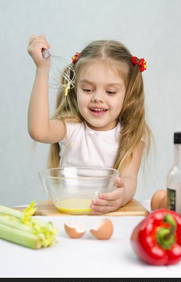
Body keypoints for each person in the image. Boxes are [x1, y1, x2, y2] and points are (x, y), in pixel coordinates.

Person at [27, 35, 152, 214]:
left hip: (108, 217)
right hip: (69, 214)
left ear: (129, 94)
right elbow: (38, 131)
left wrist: (122, 195)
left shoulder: (130, 136)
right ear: (75, 88)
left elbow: (129, 179)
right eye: (87, 89)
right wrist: (42, 69)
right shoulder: (71, 129)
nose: (97, 98)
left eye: (110, 91)